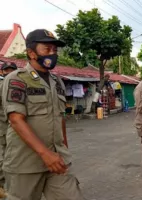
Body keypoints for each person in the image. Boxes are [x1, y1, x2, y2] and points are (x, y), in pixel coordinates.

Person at [1, 29, 83, 199]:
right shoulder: (17, 79)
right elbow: (16, 120)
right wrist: (45, 154)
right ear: (31, 53)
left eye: (55, 49)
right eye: (47, 49)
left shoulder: (57, 81)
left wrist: (63, 150)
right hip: (25, 163)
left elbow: (60, 118)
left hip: (56, 161)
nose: (53, 53)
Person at [0, 62, 17, 198]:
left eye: (12, 70)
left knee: (14, 156)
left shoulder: (18, 87)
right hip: (2, 127)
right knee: (3, 156)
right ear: (2, 72)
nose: (9, 73)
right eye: (6, 70)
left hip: (16, 127)